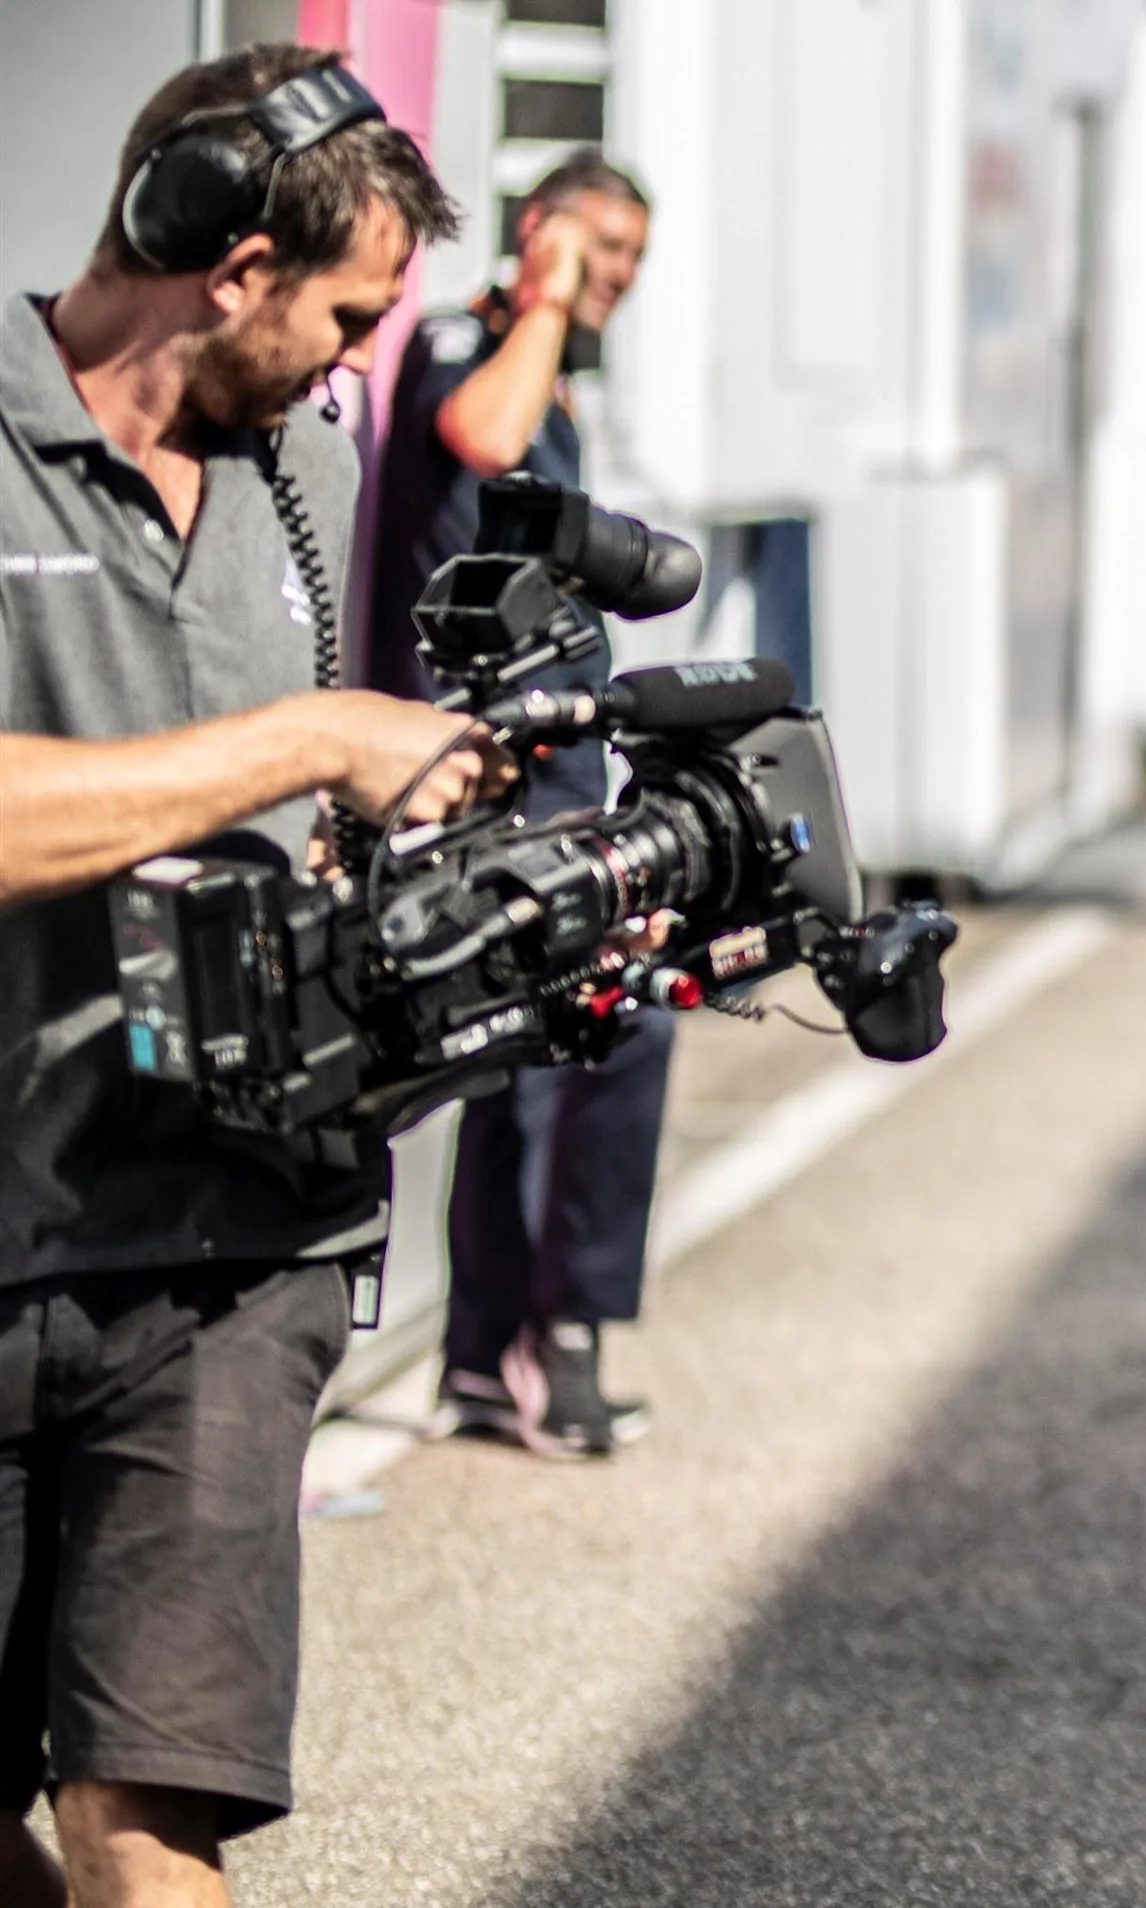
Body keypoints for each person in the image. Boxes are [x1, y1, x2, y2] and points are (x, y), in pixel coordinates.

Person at [0, 46, 493, 1904]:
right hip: (2, 1206)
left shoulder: (310, 452)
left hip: (225, 1247)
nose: (358, 359)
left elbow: (303, 792)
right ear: (226, 254)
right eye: (347, 312)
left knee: (147, 1821)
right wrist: (308, 740)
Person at [367, 148, 663, 1460]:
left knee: (532, 1064)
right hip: (475, 782)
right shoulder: (459, 350)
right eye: (600, 251)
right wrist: (542, 293)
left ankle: (493, 1353)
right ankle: (555, 1341)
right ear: (540, 235)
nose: (616, 282)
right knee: (592, 1038)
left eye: (632, 264)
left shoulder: (553, 388)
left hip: (546, 770)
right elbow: (478, 438)